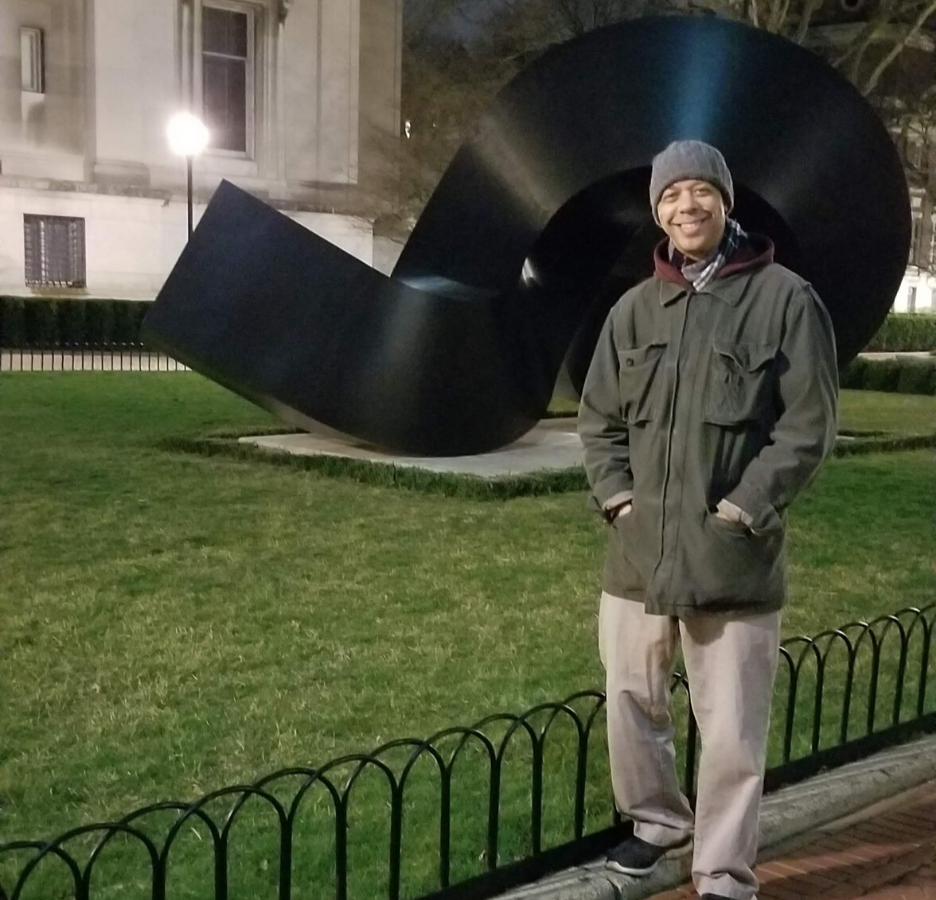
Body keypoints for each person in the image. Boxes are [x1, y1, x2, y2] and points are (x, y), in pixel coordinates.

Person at [577, 140, 839, 900]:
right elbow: (599, 423)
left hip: (732, 553)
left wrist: (743, 509)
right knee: (631, 700)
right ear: (656, 211)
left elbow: (807, 427)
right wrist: (618, 500)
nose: (685, 207)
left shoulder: (786, 299)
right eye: (670, 196)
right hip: (637, 552)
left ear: (726, 202)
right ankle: (656, 824)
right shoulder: (633, 309)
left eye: (700, 192)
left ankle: (722, 870)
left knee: (729, 729)